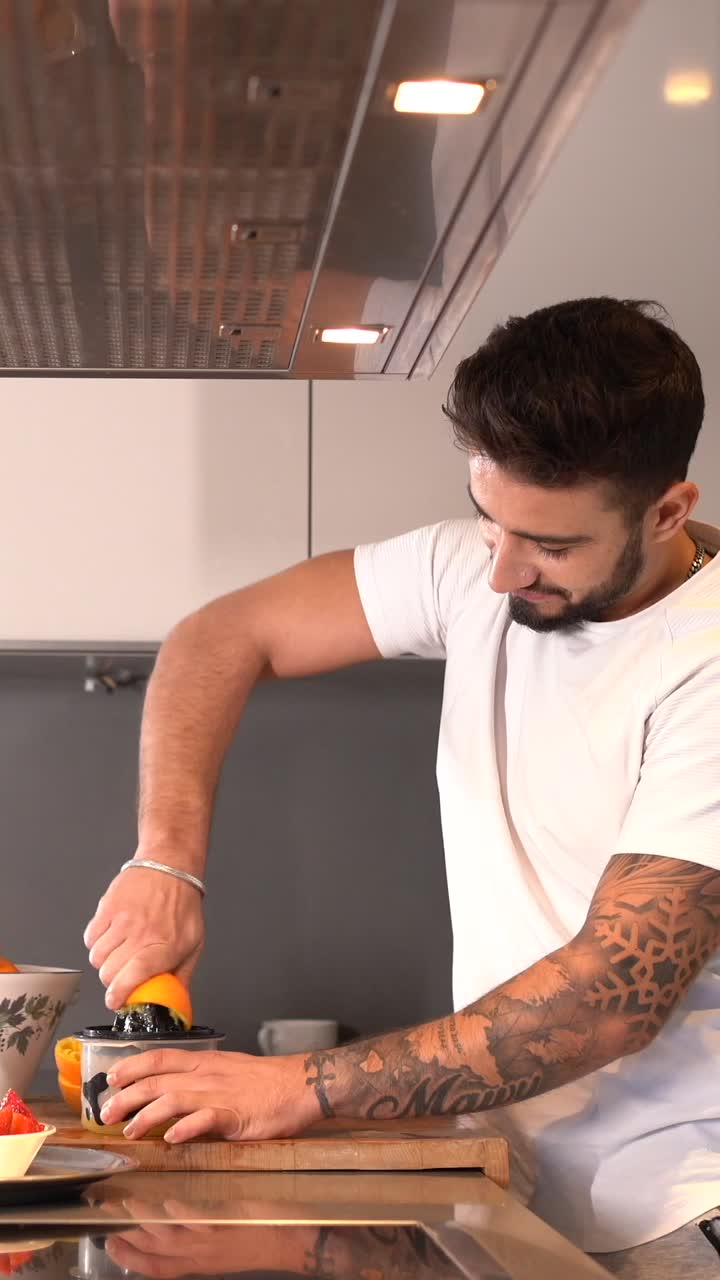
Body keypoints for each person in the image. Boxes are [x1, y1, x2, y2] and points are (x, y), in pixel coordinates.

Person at [84, 297, 720, 1272]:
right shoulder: (475, 567)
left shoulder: (705, 662)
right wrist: (166, 858)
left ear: (668, 509)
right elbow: (219, 636)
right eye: (488, 518)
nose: (503, 571)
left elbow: (610, 996)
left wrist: (299, 1084)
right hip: (523, 1179)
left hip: (680, 1214)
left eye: (550, 544)